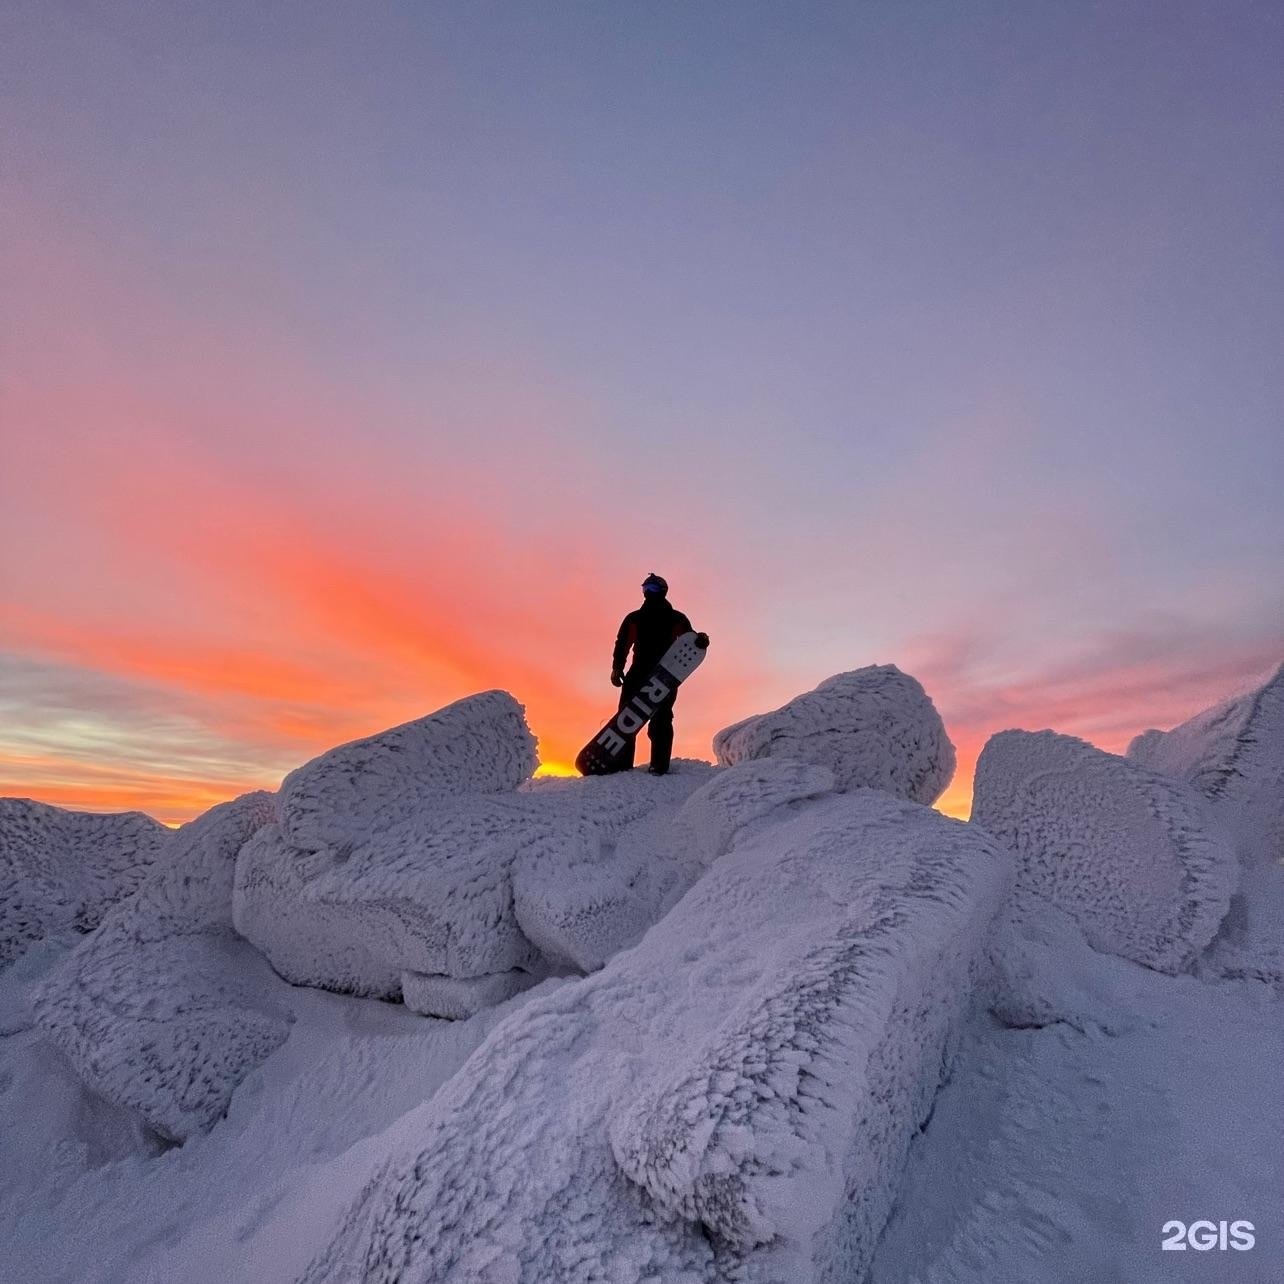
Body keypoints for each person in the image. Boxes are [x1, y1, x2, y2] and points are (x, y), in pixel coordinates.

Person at [610, 573, 702, 775]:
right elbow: (622, 643)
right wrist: (617, 668)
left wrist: (700, 640)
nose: (648, 593)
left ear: (663, 591)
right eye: (645, 589)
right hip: (638, 673)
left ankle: (659, 765)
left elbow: (689, 642)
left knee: (661, 719)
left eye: (652, 589)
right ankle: (621, 765)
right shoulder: (635, 618)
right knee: (627, 718)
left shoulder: (676, 618)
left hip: (665, 675)